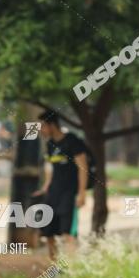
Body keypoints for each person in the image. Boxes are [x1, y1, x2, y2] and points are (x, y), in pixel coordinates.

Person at [33, 110, 89, 261]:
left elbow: (83, 168)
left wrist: (82, 193)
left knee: (68, 233)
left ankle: (72, 270)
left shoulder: (73, 142)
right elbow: (51, 168)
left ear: (51, 125)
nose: (41, 131)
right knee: (48, 233)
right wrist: (46, 187)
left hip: (69, 194)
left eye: (43, 127)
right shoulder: (50, 144)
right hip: (53, 194)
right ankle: (55, 269)